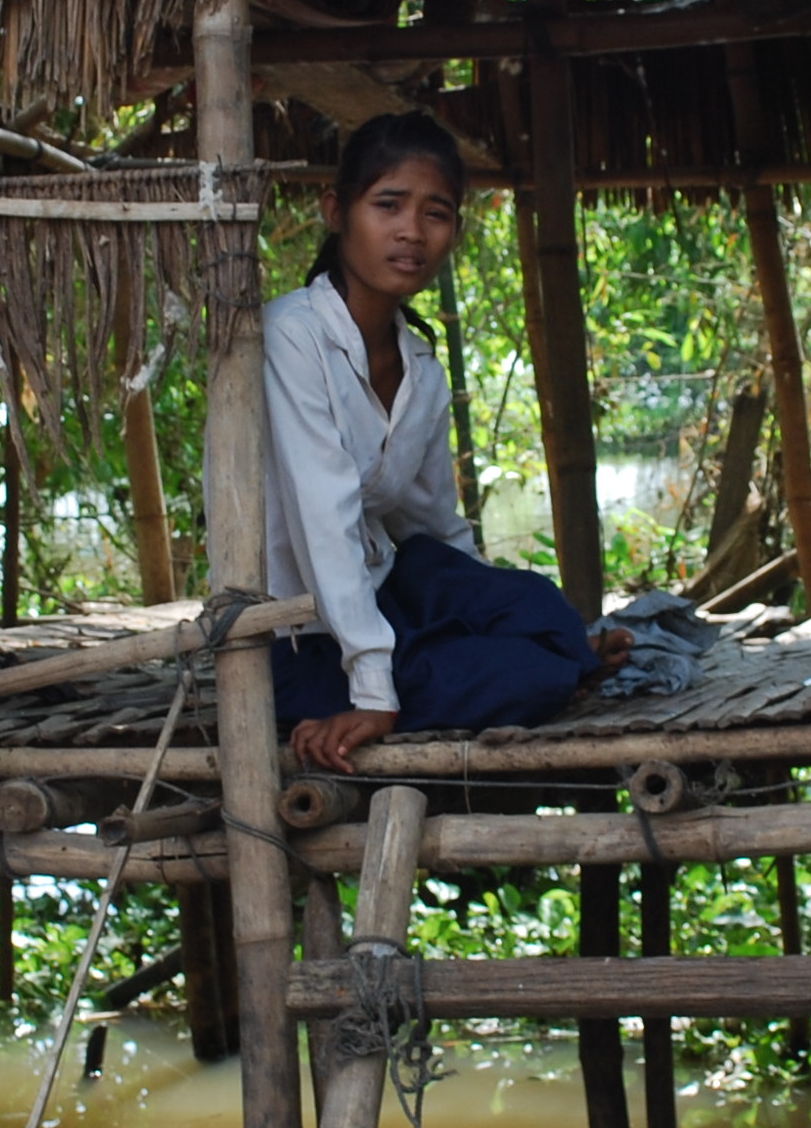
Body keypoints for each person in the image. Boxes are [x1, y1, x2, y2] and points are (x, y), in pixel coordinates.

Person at [263, 111, 624, 771]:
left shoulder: (420, 367)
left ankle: (559, 651)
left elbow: (431, 528)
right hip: (294, 642)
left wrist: (501, 611)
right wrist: (372, 688)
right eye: (389, 205)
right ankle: (404, 686)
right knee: (528, 675)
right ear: (337, 211)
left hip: (381, 600)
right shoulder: (292, 335)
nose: (411, 232)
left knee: (536, 603)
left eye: (436, 213)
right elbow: (324, 519)